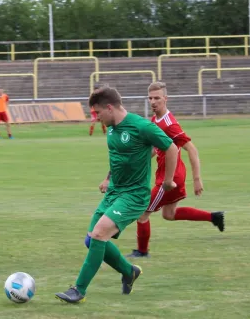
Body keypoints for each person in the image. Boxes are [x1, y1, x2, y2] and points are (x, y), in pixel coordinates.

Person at [55, 86, 179, 303]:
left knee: (99, 234)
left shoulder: (141, 126)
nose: (97, 118)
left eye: (98, 113)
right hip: (114, 192)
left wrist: (168, 181)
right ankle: (129, 271)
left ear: (110, 108)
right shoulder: (111, 127)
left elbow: (171, 148)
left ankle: (78, 290)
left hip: (134, 196)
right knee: (90, 240)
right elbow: (120, 157)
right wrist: (108, 178)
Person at [127, 82, 225, 259]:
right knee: (169, 214)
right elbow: (154, 149)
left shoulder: (169, 124)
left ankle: (142, 252)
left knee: (142, 212)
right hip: (172, 175)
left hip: (170, 178)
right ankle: (214, 217)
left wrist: (197, 179)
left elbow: (192, 149)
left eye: (157, 98)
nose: (153, 102)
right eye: (150, 98)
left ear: (165, 99)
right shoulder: (155, 120)